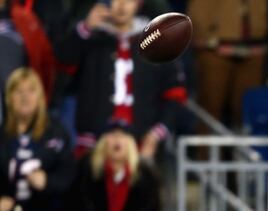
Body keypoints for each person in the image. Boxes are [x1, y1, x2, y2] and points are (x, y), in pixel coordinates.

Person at [55, 0, 186, 156]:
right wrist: (85, 29)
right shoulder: (90, 37)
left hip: (141, 145)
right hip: (93, 144)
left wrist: (156, 134)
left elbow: (175, 93)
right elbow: (61, 62)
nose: (122, 4)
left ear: (138, 4)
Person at [0, 67, 74, 211]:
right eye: (18, 92)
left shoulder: (57, 133)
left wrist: (48, 182)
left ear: (40, 97)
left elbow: (70, 177)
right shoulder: (2, 135)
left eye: (31, 91)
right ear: (9, 98)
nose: (25, 97)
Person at [188, 0, 268, 130]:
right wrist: (206, 35)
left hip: (255, 45)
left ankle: (245, 149)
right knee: (210, 111)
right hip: (213, 45)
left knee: (249, 112)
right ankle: (206, 150)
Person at [66, 121, 161, 211]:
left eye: (122, 136)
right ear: (103, 143)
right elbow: (75, 205)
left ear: (131, 144)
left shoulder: (146, 177)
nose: (117, 140)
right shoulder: (86, 171)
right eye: (112, 135)